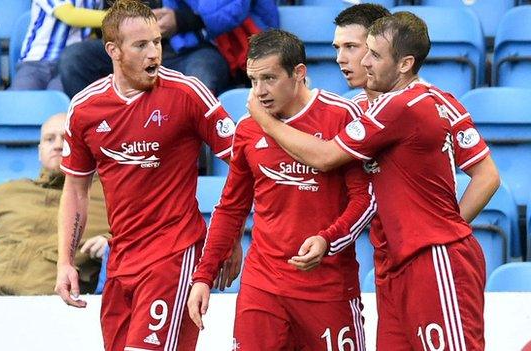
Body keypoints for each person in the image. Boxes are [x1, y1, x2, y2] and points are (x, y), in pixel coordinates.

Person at [249, 12, 500, 350]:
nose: (345, 58)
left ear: (400, 60)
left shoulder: (411, 104)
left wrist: (441, 232)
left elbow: (487, 176)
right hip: (392, 261)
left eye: (356, 47)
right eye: (339, 47)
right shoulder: (357, 111)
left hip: (429, 255)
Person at [54, 1, 239, 350]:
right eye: (141, 45)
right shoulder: (84, 108)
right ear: (113, 50)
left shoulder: (187, 93)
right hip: (121, 260)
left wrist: (227, 239)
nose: (154, 53)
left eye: (157, 42)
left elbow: (243, 164)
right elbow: (75, 189)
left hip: (174, 254)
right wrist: (65, 261)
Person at [187, 29, 375, 350]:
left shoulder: (341, 116)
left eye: (269, 79)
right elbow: (231, 207)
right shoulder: (247, 129)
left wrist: (328, 240)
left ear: (298, 73)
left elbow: (366, 199)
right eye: (252, 80)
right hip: (263, 284)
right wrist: (203, 277)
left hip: (327, 287)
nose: (259, 92)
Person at [0, 113, 111, 295]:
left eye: (67, 138)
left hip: (51, 301)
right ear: (40, 151)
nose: (58, 145)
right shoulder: (8, 191)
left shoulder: (108, 194)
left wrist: (110, 244)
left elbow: (139, 237)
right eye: (49, 139)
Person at [58, 0, 279, 98]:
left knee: (201, 78)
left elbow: (226, 9)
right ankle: (105, 143)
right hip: (137, 46)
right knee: (75, 59)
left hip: (198, 47)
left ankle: (190, 161)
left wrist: (180, 20)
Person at [9, 1, 105, 91]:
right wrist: (116, 17)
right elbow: (69, 15)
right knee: (20, 100)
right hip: (35, 62)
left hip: (71, 65)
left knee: (59, 103)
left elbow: (92, 31)